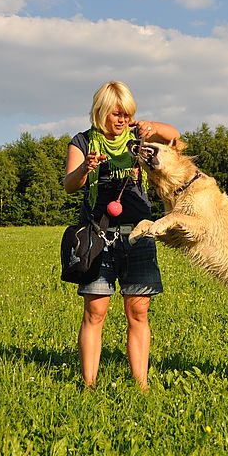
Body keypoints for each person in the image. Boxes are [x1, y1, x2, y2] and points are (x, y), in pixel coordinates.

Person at [64, 80, 182, 390]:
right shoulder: (82, 142)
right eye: (116, 113)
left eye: (127, 114)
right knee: (95, 311)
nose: (122, 120)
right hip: (97, 236)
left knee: (138, 311)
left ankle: (140, 384)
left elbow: (175, 138)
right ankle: (88, 385)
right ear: (101, 111)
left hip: (138, 235)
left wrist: (153, 126)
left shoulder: (137, 138)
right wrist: (84, 170)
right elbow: (69, 184)